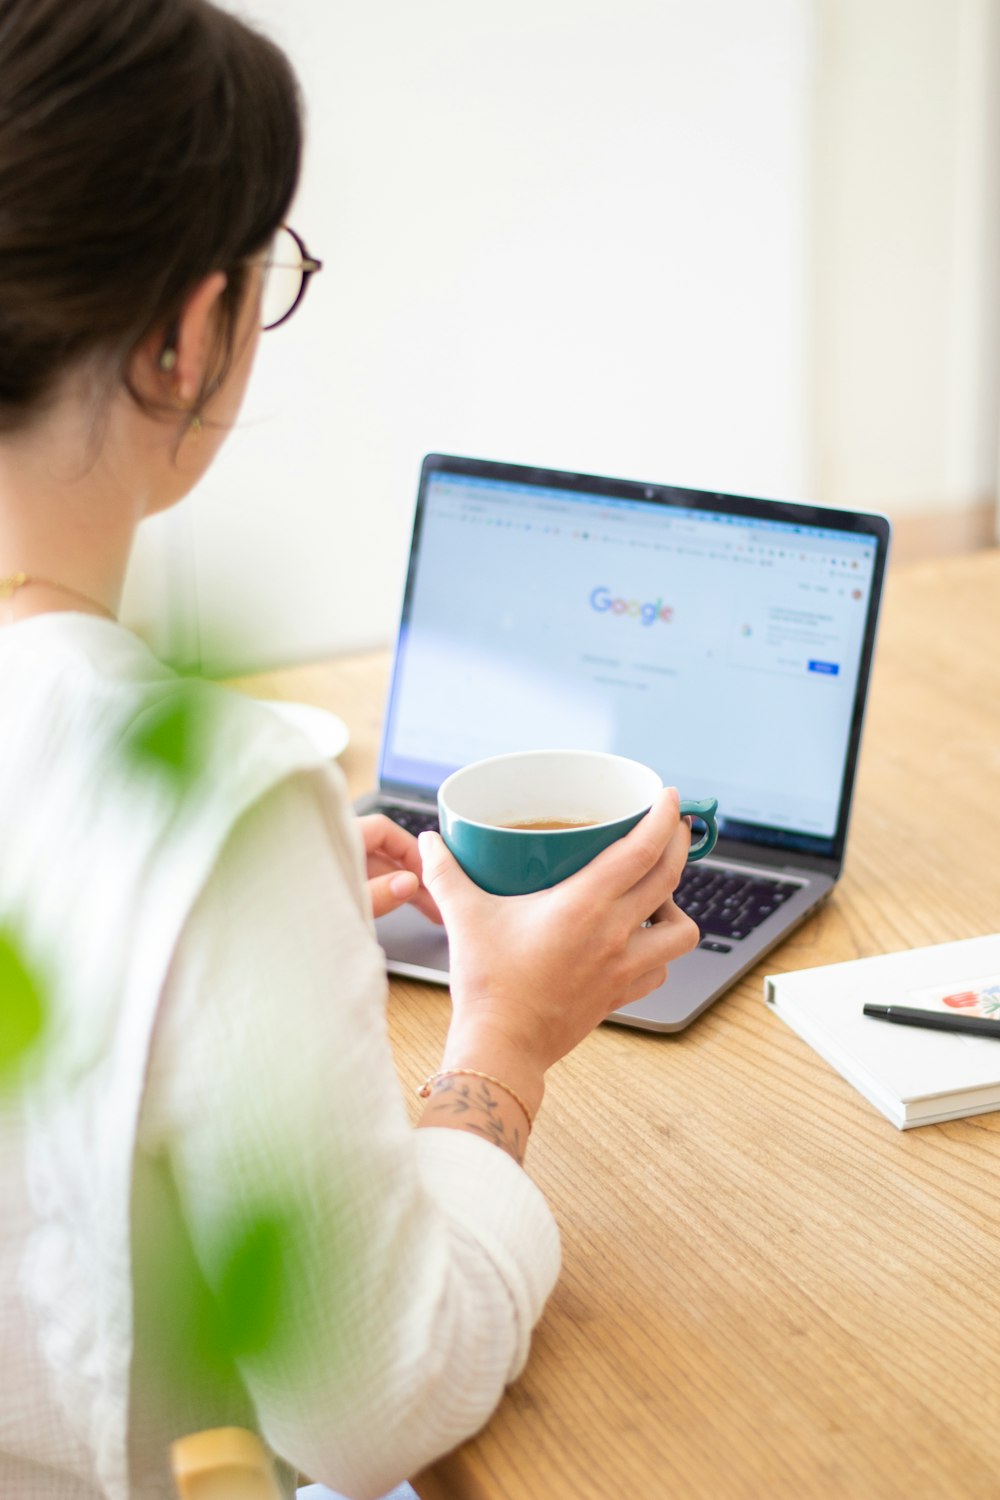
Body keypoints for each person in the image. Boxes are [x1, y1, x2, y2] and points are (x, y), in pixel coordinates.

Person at [0, 1, 700, 1497]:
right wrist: (502, 1043)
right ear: (191, 334)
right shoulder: (208, 801)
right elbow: (365, 1400)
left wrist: (242, 922)